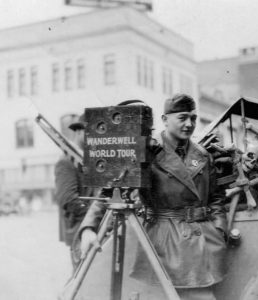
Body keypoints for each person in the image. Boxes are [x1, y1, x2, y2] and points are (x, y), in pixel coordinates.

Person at [79, 94, 227, 300]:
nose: (189, 124)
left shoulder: (202, 154)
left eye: (193, 118)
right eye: (182, 118)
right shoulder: (147, 150)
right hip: (165, 239)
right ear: (165, 120)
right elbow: (109, 192)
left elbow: (217, 197)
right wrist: (88, 228)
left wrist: (219, 228)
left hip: (203, 239)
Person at [55, 114, 91, 269]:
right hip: (79, 230)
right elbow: (68, 200)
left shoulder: (90, 159)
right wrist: (96, 216)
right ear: (78, 132)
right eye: (91, 133)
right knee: (83, 279)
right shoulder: (65, 162)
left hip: (93, 228)